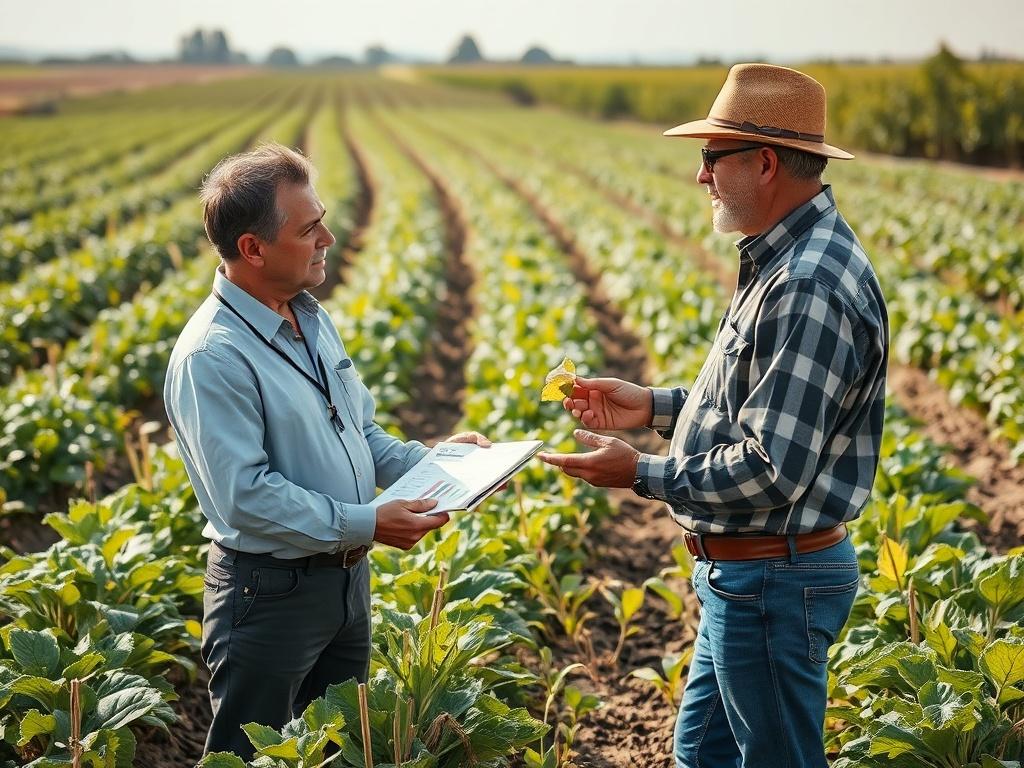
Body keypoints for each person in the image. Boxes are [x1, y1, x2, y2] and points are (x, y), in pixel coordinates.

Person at [539, 64, 888, 768]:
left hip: (772, 584)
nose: (700, 178)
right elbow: (757, 405)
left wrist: (640, 473)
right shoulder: (782, 258)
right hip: (749, 581)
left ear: (763, 164)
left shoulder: (808, 282)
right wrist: (656, 407)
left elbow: (771, 469)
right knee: (701, 755)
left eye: (710, 158)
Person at [164, 143, 491, 759]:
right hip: (269, 593)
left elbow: (358, 433)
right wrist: (367, 521)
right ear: (253, 249)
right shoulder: (213, 356)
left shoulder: (309, 317)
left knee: (340, 747)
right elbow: (246, 497)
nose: (330, 238)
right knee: (250, 754)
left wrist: (436, 463)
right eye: (309, 228)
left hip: (344, 583)